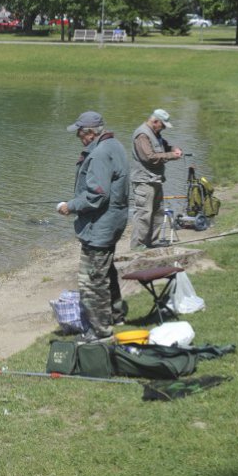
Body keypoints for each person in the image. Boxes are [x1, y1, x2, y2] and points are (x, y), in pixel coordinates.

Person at [58, 111, 130, 342]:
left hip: (101, 226)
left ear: (90, 133)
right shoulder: (115, 144)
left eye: (80, 132)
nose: (78, 137)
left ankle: (99, 331)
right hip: (114, 221)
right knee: (106, 271)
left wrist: (70, 206)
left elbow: (96, 196)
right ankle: (116, 315)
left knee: (91, 281)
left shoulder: (99, 154)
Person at [130, 109, 183, 250]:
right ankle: (137, 247)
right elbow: (149, 157)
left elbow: (165, 146)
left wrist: (174, 148)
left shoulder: (155, 133)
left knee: (158, 212)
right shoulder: (142, 135)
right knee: (144, 215)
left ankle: (152, 243)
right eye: (163, 125)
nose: (164, 128)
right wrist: (171, 155)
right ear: (155, 121)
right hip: (144, 181)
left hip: (156, 180)